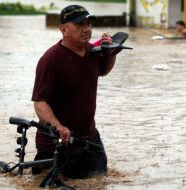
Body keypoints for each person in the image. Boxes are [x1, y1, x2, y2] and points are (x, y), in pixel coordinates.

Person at [31, 4, 118, 178]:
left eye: (89, 24)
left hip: (89, 137)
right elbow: (40, 103)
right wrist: (59, 127)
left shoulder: (91, 51)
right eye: (80, 25)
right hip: (56, 142)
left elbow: (103, 71)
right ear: (63, 29)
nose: (87, 29)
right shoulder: (50, 60)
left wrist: (111, 53)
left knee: (101, 181)